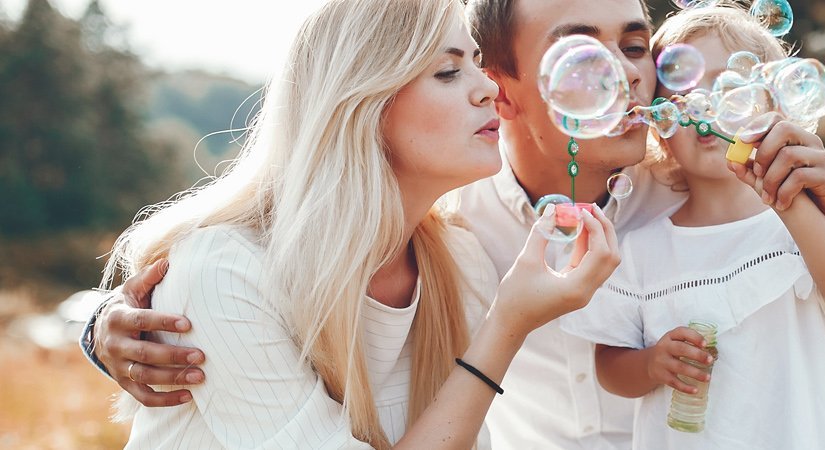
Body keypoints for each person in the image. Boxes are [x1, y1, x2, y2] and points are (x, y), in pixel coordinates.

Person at [83, 0, 825, 448]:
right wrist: (107, 329)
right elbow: (262, 260)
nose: (628, 72)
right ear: (507, 86)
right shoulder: (462, 230)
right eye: (583, 51)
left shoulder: (709, 183)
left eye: (638, 46)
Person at [94, 0, 620, 448]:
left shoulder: (459, 261)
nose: (488, 90)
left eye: (478, 64)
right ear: (363, 102)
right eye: (448, 71)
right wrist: (508, 323)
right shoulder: (225, 271)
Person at [560, 6, 825, 448]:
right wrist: (653, 363)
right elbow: (609, 367)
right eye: (683, 91)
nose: (705, 104)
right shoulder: (639, 248)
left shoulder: (797, 223)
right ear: (660, 124)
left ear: (775, 107)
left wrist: (788, 204)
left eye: (730, 87)